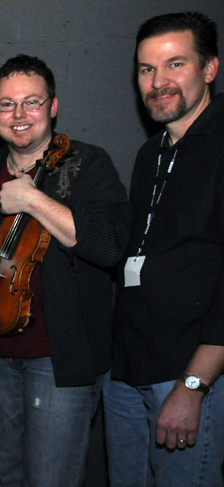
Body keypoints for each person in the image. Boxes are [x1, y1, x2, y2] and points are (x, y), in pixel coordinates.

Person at [0, 55, 130, 487]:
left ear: (52, 107)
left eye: (31, 102)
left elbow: (109, 246)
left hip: (59, 361)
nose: (18, 114)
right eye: (6, 104)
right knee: (8, 477)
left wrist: (34, 199)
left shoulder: (87, 164)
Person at [106, 11, 224, 487]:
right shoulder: (150, 153)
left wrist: (194, 384)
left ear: (209, 69)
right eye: (147, 69)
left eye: (176, 64)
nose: (158, 82)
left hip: (190, 375)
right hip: (128, 371)